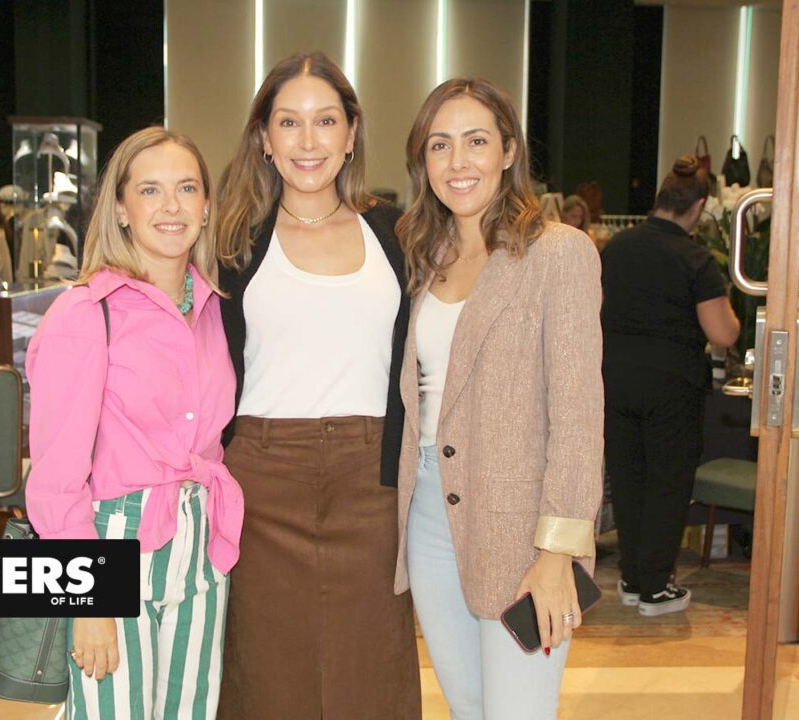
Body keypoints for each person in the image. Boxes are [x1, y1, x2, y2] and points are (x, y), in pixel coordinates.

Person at [215, 52, 421, 719]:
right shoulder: (232, 240)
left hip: (373, 481)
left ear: (351, 132)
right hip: (260, 481)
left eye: (326, 120)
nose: (308, 141)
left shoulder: (398, 234)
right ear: (264, 137)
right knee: (265, 671)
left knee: (373, 667)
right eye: (289, 122)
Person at [394, 78, 603, 719]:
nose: (458, 162)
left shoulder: (557, 252)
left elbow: (579, 417)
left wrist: (557, 552)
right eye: (439, 145)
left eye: (476, 141)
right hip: (429, 512)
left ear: (509, 151)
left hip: (522, 527)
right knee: (468, 707)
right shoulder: (424, 256)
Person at [25, 127, 244, 719]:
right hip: (111, 544)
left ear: (206, 206)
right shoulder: (85, 312)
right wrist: (88, 599)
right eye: (150, 190)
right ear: (121, 208)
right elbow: (55, 480)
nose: (172, 206)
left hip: (200, 541)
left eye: (187, 188)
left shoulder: (214, 309)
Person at [601, 155, 739, 617]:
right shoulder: (695, 258)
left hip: (615, 380)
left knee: (628, 479)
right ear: (697, 207)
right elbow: (722, 333)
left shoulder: (617, 247)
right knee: (667, 482)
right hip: (671, 385)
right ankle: (656, 589)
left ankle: (631, 578)